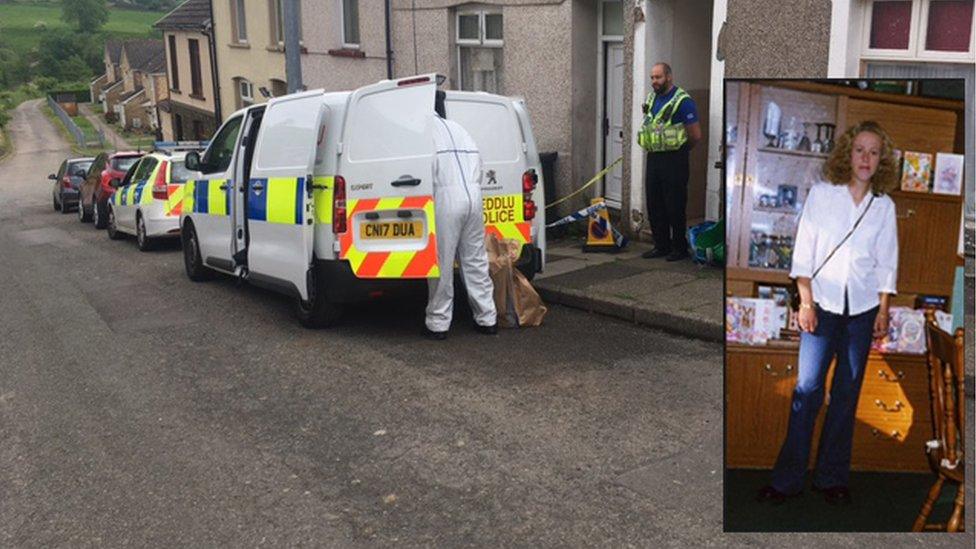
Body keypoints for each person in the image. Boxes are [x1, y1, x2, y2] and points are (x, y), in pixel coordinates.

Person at [757, 120, 899, 506]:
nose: (866, 158)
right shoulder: (822, 195)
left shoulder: (884, 206)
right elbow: (803, 254)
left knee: (846, 395)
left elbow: (887, 262)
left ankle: (831, 478)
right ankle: (787, 481)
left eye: (874, 152)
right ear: (847, 154)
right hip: (820, 308)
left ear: (881, 159)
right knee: (807, 391)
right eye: (859, 150)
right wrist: (806, 301)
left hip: (863, 310)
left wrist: (883, 310)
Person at [424, 90, 498, 340]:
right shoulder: (459, 129)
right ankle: (487, 318)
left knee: (441, 263)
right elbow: (480, 161)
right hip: (473, 197)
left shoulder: (424, 133)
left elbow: (425, 170)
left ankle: (438, 322)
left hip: (445, 198)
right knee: (475, 260)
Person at [637, 62, 701, 261]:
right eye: (652, 78)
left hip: (675, 159)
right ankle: (661, 245)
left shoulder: (683, 101)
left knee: (674, 205)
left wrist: (681, 151)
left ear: (669, 77)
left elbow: (696, 135)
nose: (654, 81)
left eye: (658, 77)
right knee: (654, 204)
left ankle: (679, 249)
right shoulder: (651, 98)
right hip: (654, 158)